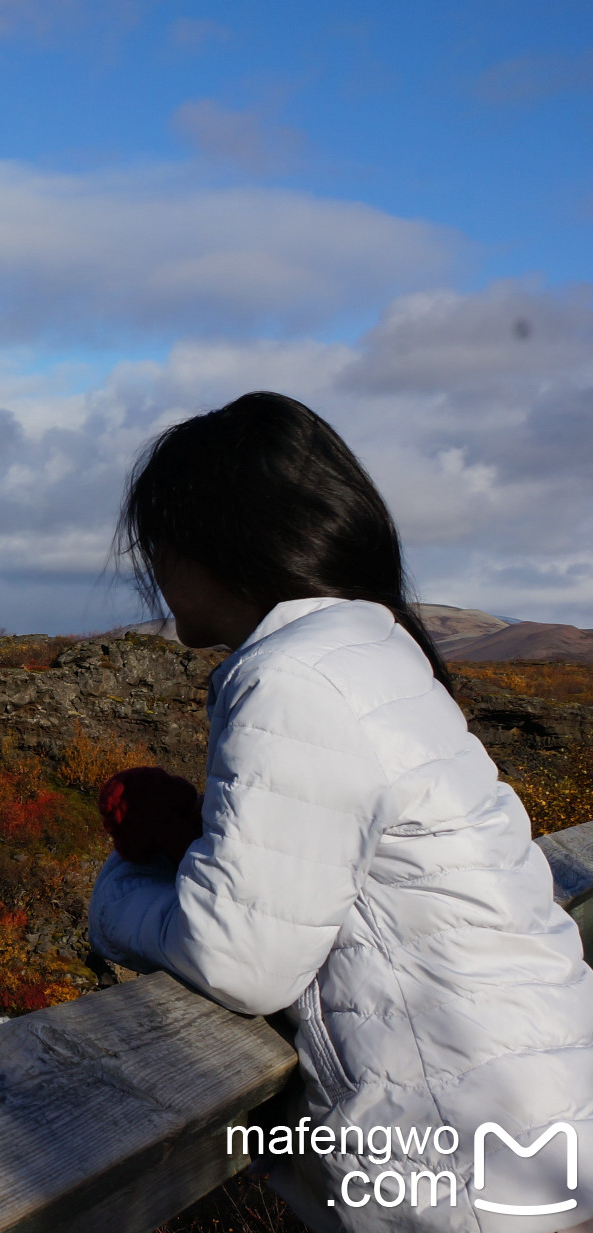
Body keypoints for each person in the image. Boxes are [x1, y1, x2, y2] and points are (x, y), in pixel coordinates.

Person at [87, 392, 593, 1233]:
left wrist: (119, 898)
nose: (153, 564)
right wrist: (196, 850)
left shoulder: (293, 678)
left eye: (159, 538)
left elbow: (242, 955)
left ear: (224, 539)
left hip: (468, 1166)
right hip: (536, 1130)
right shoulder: (375, 649)